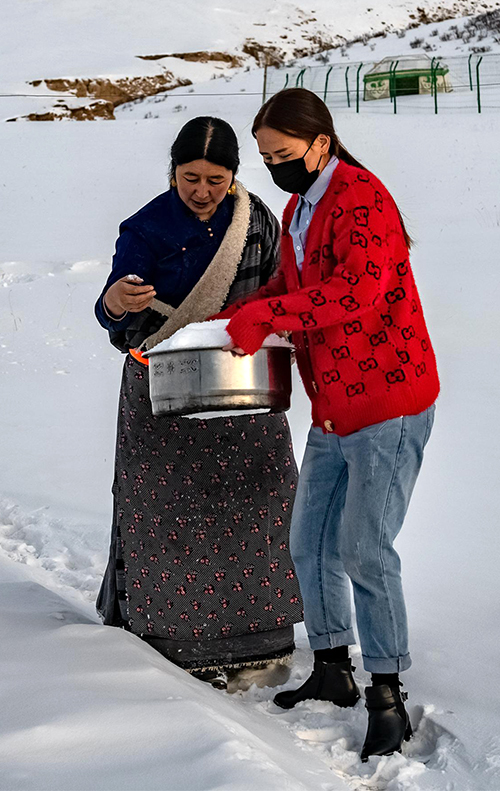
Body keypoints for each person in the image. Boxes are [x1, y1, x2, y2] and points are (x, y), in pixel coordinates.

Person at [221, 89, 440, 758]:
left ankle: (387, 694)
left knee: (364, 550)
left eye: (283, 154)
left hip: (388, 402)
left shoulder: (360, 199)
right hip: (335, 406)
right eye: (265, 158)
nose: (275, 167)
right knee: (309, 542)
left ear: (320, 142)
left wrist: (271, 318)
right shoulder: (299, 205)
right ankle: (333, 667)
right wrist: (243, 314)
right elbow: (288, 286)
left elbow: (359, 292)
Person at [95, 116, 303, 688]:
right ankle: (170, 640)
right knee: (166, 517)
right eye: (191, 178)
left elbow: (283, 286)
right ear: (173, 172)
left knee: (259, 507)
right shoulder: (145, 228)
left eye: (216, 179)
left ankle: (262, 639)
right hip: (163, 387)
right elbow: (112, 312)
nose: (203, 191)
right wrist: (116, 300)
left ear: (234, 176)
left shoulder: (255, 220)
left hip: (244, 383)